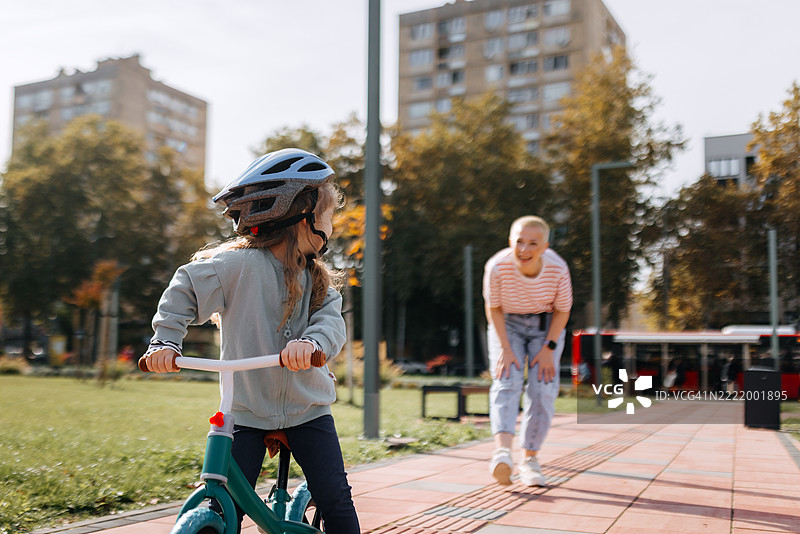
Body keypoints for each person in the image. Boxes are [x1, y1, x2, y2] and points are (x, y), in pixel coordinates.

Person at [141, 148, 360, 533]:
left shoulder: (318, 281)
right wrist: (165, 342)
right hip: (245, 409)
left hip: (307, 409)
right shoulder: (236, 266)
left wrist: (312, 344)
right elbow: (184, 288)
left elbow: (330, 326)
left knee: (335, 498)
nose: (331, 225)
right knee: (226, 503)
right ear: (302, 216)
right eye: (327, 215)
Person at [483, 215, 572, 486]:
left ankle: (530, 460)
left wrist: (548, 348)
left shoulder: (558, 269)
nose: (524, 249)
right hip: (507, 323)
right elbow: (493, 308)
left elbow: (563, 310)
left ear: (545, 247)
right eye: (519, 241)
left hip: (546, 324)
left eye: (533, 243)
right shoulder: (497, 267)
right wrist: (505, 348)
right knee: (506, 379)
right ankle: (502, 454)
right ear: (510, 242)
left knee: (542, 388)